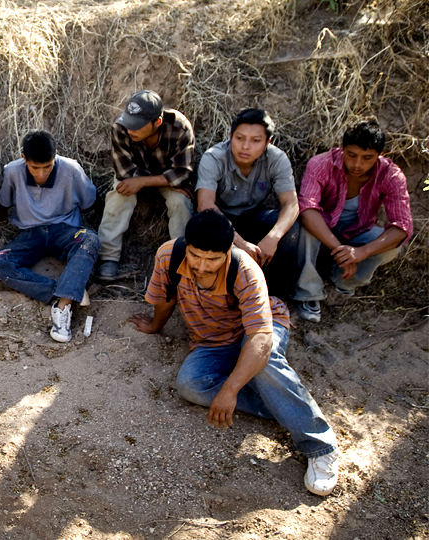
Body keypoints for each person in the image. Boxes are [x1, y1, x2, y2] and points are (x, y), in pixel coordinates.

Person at [131, 210, 339, 496]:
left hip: (258, 330)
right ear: (186, 246)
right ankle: (281, 404)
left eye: (213, 259)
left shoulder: (245, 270)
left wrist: (230, 389)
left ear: (228, 251)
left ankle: (320, 444)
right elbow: (166, 297)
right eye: (195, 256)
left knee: (263, 363)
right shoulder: (169, 254)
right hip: (210, 340)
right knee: (190, 385)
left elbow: (261, 339)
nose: (202, 266)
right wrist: (155, 326)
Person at [292, 120, 412, 322]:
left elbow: (402, 226)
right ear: (342, 148)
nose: (358, 164)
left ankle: (344, 281)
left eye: (367, 158)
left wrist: (361, 252)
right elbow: (307, 209)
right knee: (305, 226)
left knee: (393, 246)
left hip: (357, 232)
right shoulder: (321, 164)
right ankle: (308, 292)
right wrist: (340, 249)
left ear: (379, 156)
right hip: (323, 227)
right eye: (352, 155)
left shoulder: (391, 175)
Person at [0, 130, 99, 343]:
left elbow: (90, 202)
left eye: (47, 167)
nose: (41, 174)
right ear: (24, 158)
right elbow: (4, 203)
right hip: (30, 234)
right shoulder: (12, 171)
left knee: (90, 239)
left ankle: (63, 306)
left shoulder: (71, 169)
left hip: (64, 230)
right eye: (35, 167)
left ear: (55, 157)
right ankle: (65, 291)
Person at [196, 108, 299, 297]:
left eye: (255, 141)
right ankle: (217, 293)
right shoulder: (214, 157)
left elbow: (291, 204)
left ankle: (273, 294)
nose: (245, 146)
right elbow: (205, 205)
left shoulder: (276, 159)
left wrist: (273, 238)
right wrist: (240, 242)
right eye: (240, 138)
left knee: (290, 229)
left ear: (268, 142)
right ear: (230, 136)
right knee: (204, 227)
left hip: (254, 217)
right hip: (220, 220)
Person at [95, 89, 195, 281]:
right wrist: (163, 179)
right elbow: (124, 171)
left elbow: (183, 173)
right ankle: (108, 257)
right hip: (144, 176)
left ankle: (181, 260)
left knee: (181, 202)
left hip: (160, 179)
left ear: (157, 122)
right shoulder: (120, 127)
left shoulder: (180, 127)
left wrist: (148, 181)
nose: (131, 130)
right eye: (129, 122)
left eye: (137, 126)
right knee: (119, 194)